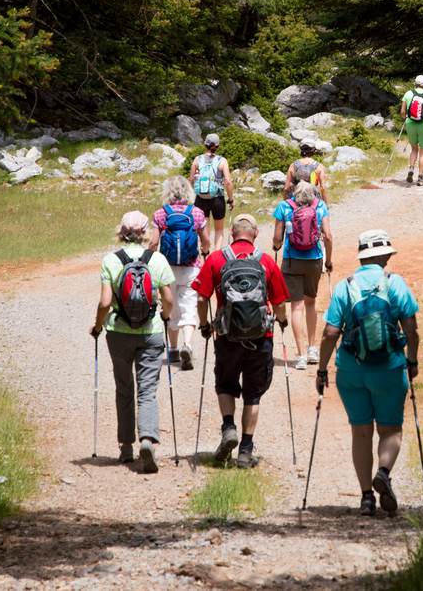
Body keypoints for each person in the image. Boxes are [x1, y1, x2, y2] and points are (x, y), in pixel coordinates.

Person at [316, 229, 421, 516]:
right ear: (385, 255)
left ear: (363, 257)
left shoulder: (345, 286)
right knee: (390, 430)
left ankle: (365, 498)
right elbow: (411, 329)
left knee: (360, 432)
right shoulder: (395, 284)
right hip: (389, 367)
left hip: (352, 370)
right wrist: (412, 360)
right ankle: (383, 472)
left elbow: (330, 332)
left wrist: (322, 368)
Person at [193, 214, 290, 468]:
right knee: (253, 393)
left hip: (227, 335)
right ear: (256, 234)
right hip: (260, 337)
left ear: (232, 233)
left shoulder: (216, 259)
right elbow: (279, 303)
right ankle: (245, 451)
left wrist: (204, 325)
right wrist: (282, 322)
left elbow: (201, 298)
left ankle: (228, 428)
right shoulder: (266, 261)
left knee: (225, 384)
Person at [90, 210, 176, 474]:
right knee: (147, 390)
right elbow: (169, 299)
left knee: (124, 387)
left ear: (122, 232)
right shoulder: (158, 259)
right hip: (151, 332)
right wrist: (164, 315)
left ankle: (126, 446)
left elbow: (105, 302)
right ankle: (147, 439)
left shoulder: (111, 260)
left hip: (119, 332)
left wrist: (98, 325)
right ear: (145, 233)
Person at [272, 180, 333, 369]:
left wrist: (276, 246)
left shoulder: (284, 206)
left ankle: (300, 355)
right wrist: (328, 261)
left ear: (294, 193)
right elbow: (328, 236)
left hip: (292, 260)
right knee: (311, 302)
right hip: (314, 259)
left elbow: (276, 237)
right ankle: (313, 348)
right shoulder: (320, 206)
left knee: (296, 306)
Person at [152, 176, 211, 370]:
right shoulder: (197, 213)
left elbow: (153, 243)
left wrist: (149, 260)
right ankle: (187, 344)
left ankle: (174, 350)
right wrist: (205, 253)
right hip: (191, 266)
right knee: (189, 306)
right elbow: (206, 240)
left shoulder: (160, 214)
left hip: (167, 267)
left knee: (171, 306)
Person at [188, 134, 235, 249]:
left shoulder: (197, 159)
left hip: (200, 199)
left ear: (205, 144)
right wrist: (231, 199)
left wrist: (190, 196)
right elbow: (228, 181)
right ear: (217, 146)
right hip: (217, 199)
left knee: (204, 229)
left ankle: (205, 253)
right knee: (219, 230)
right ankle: (216, 256)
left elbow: (191, 179)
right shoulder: (222, 161)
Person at [400, 74, 423, 186]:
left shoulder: (408, 93)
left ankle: (411, 169)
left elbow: (402, 111)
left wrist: (405, 118)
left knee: (414, 149)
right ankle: (420, 178)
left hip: (410, 123)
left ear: (415, 82)